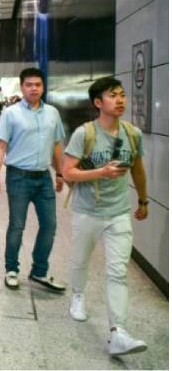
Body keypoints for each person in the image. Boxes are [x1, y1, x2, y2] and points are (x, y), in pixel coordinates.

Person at [62, 76, 149, 356]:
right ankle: (77, 296)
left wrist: (144, 200)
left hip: (118, 213)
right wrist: (101, 172)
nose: (121, 99)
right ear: (98, 103)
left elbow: (138, 169)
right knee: (80, 260)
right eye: (113, 95)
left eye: (122, 94)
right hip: (87, 211)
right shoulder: (84, 134)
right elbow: (68, 172)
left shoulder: (132, 134)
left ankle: (118, 332)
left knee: (118, 271)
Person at [0, 67, 66, 291]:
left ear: (43, 87)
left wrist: (60, 172)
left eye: (38, 85)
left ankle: (39, 271)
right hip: (18, 177)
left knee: (50, 225)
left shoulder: (53, 113)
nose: (34, 88)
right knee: (17, 225)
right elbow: (1, 147)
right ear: (22, 87)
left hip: (44, 178)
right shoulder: (11, 113)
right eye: (29, 85)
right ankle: (11, 269)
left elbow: (57, 145)